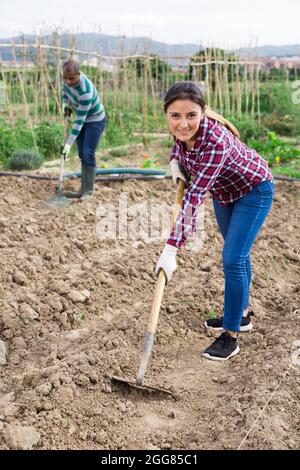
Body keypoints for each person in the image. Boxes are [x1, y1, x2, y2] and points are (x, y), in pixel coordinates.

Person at [156, 81, 274, 361]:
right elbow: (179, 148)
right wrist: (176, 163)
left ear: (203, 112)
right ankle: (242, 314)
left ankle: (230, 336)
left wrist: (171, 249)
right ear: (167, 115)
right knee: (238, 256)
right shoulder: (182, 132)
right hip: (224, 193)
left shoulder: (216, 142)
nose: (183, 124)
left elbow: (194, 199)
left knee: (233, 258)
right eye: (175, 116)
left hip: (254, 191)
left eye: (190, 116)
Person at [61, 59, 106, 200]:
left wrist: (68, 143)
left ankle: (89, 191)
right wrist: (64, 105)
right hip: (82, 119)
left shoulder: (86, 90)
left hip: (94, 120)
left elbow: (79, 121)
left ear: (78, 74)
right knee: (81, 154)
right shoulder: (67, 80)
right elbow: (64, 92)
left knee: (88, 153)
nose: (68, 81)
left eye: (71, 78)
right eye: (65, 78)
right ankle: (82, 190)